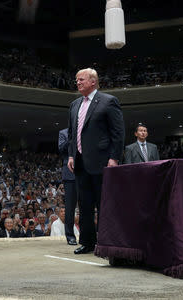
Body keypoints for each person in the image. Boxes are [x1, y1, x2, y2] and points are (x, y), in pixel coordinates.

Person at [67, 68, 125, 254]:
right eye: (77, 80)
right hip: (80, 161)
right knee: (84, 204)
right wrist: (70, 155)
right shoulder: (74, 104)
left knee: (104, 204)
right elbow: (71, 134)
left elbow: (118, 133)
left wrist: (114, 158)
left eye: (81, 79)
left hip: (102, 162)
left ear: (93, 81)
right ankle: (87, 242)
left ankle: (107, 242)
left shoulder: (108, 101)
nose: (78, 82)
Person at [58, 128, 78, 245]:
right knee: (70, 206)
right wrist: (72, 137)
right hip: (69, 173)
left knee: (86, 205)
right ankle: (70, 236)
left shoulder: (85, 130)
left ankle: (86, 236)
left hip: (84, 171)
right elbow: (62, 149)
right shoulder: (63, 133)